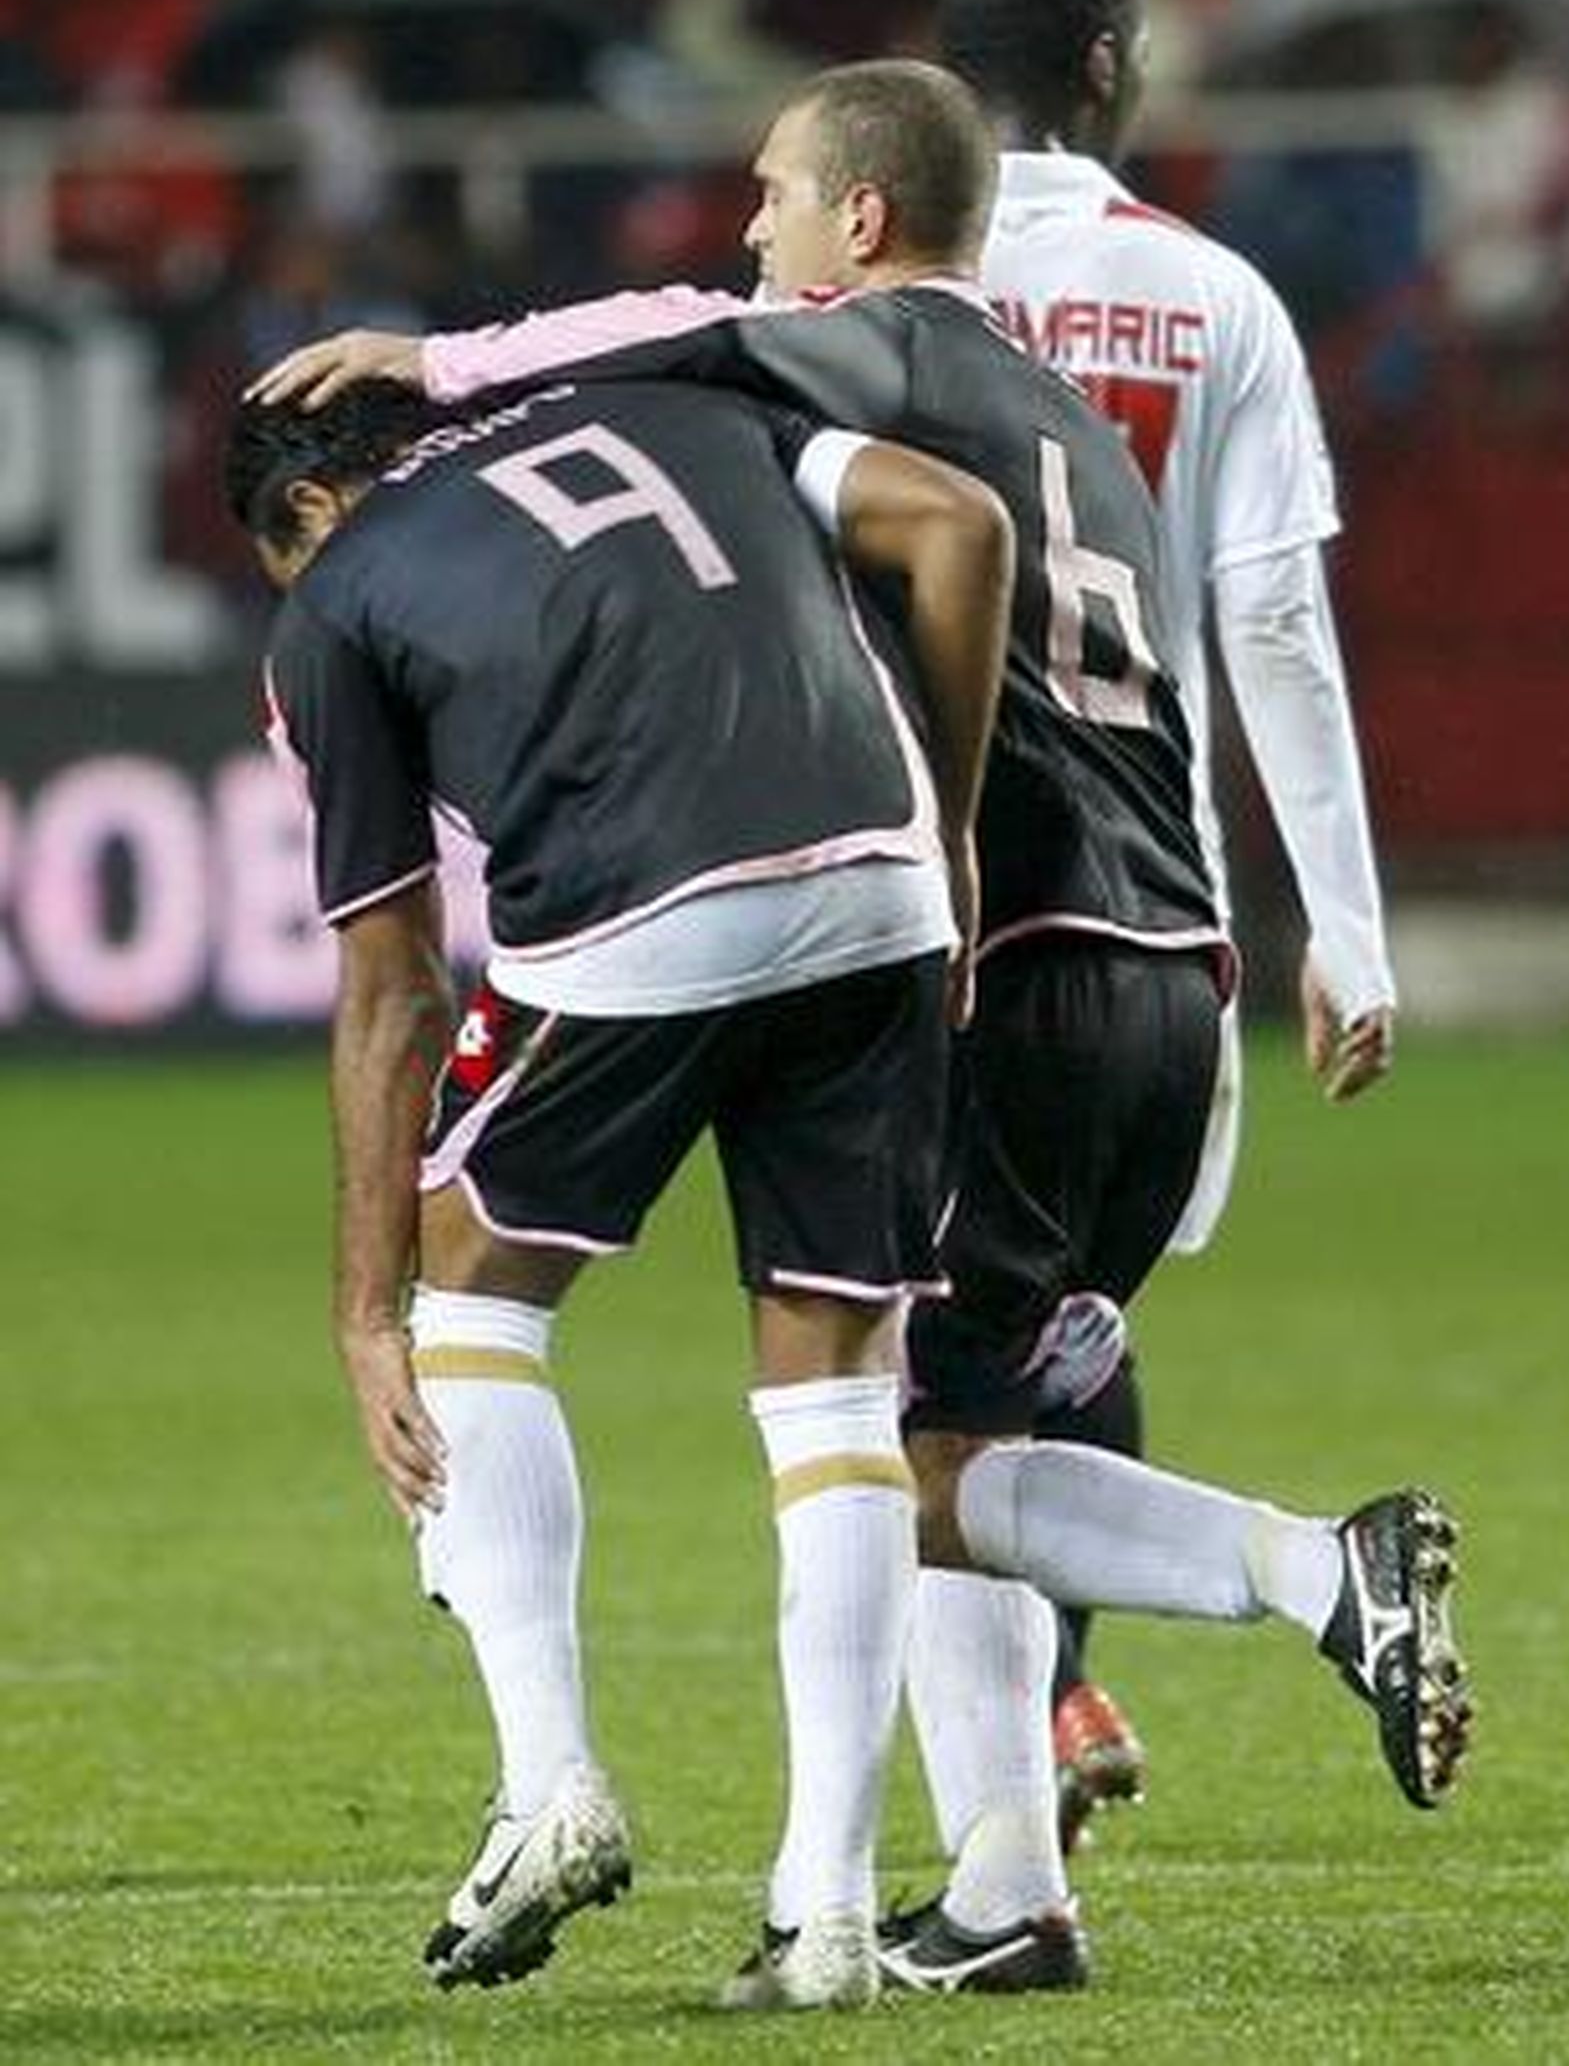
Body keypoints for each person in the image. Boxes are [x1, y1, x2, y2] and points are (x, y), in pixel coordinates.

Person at [247, 58, 1468, 1999]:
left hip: (1002, 945)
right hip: (1176, 972)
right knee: (933, 1412)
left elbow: (657, 338)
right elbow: (1229, 629)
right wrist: (1332, 935)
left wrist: (443, 356)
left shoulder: (822, 357)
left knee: (891, 1442)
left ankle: (1313, 1575)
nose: (749, 233)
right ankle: (1000, 1890)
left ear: (859, 225)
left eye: (770, 199)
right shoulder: (1078, 412)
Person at [224, 370, 1016, 2014]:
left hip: (640, 913)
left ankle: (549, 1783)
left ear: (304, 512)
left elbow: (393, 987)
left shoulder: (337, 602)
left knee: (470, 1301)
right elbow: (951, 527)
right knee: (837, 1391)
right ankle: (833, 1909)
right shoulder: (682, 412)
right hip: (886, 876)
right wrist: (949, 824)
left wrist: (363, 1311)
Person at [936, 0, 1401, 1833]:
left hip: (934, 892)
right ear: (1113, 68)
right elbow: (1275, 623)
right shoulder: (1213, 297)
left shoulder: (871, 288)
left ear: (937, 86)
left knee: (902, 1386)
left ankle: (974, 1865)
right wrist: (1347, 930)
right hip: (1163, 905)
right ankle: (1057, 1704)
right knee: (1053, 1323)